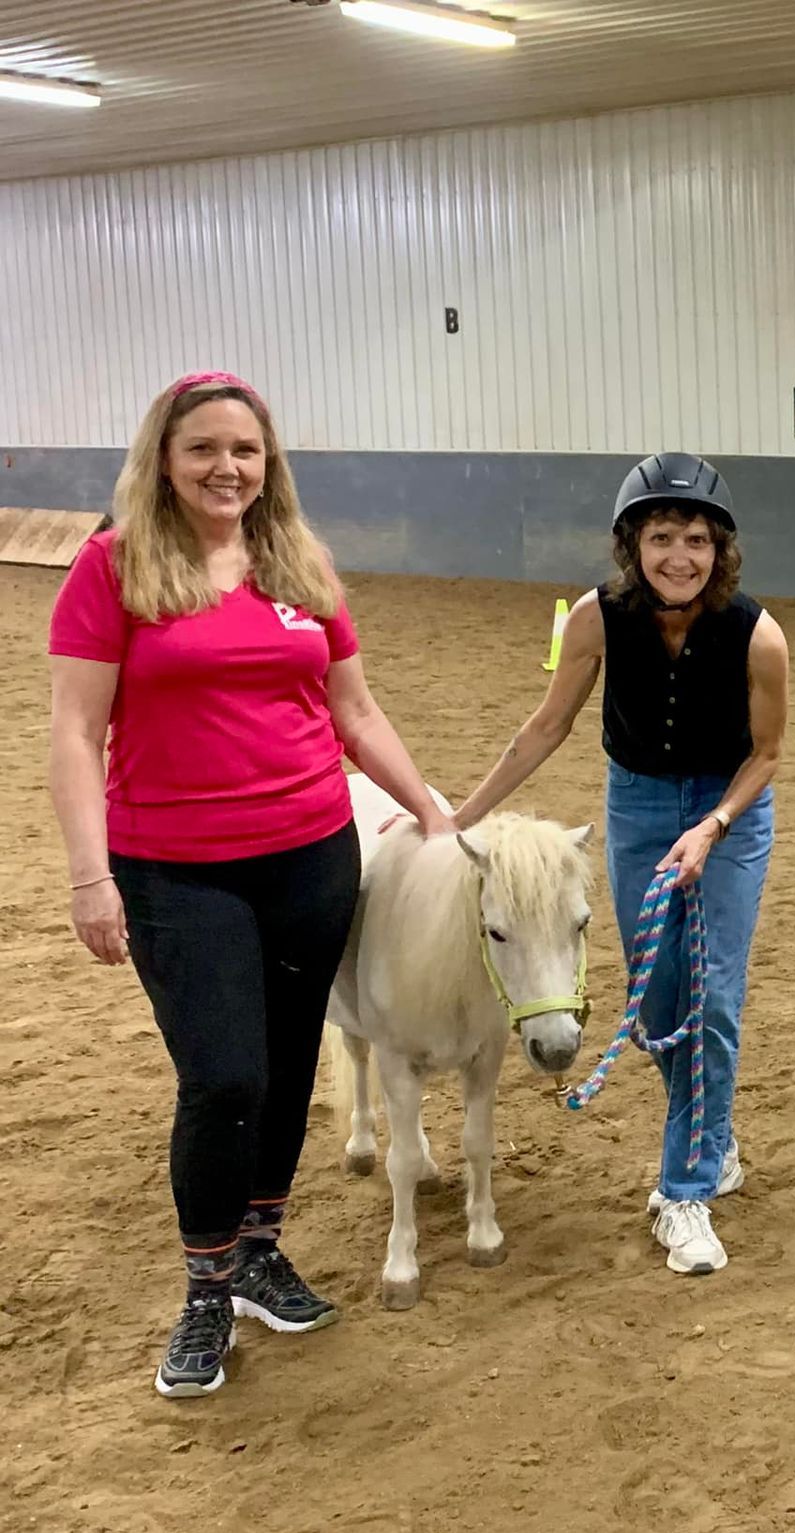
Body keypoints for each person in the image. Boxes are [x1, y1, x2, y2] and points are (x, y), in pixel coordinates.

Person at [47, 372, 451, 1399]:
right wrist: (90, 875)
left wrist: (436, 810)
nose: (226, 468)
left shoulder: (298, 563)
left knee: (279, 1066)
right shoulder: (113, 566)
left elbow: (355, 713)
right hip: (174, 868)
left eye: (245, 451)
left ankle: (261, 1246)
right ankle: (205, 1286)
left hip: (311, 854)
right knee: (222, 1074)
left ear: (268, 464)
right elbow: (74, 733)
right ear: (164, 458)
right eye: (203, 449)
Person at [453, 452, 786, 1277]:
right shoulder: (595, 620)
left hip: (728, 814)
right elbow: (546, 727)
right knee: (656, 1004)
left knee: (709, 999)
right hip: (636, 812)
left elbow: (769, 754)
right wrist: (457, 816)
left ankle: (685, 1192)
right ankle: (714, 1137)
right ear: (633, 544)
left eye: (699, 540)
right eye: (663, 536)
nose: (681, 556)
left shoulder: (759, 634)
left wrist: (712, 826)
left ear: (722, 550)